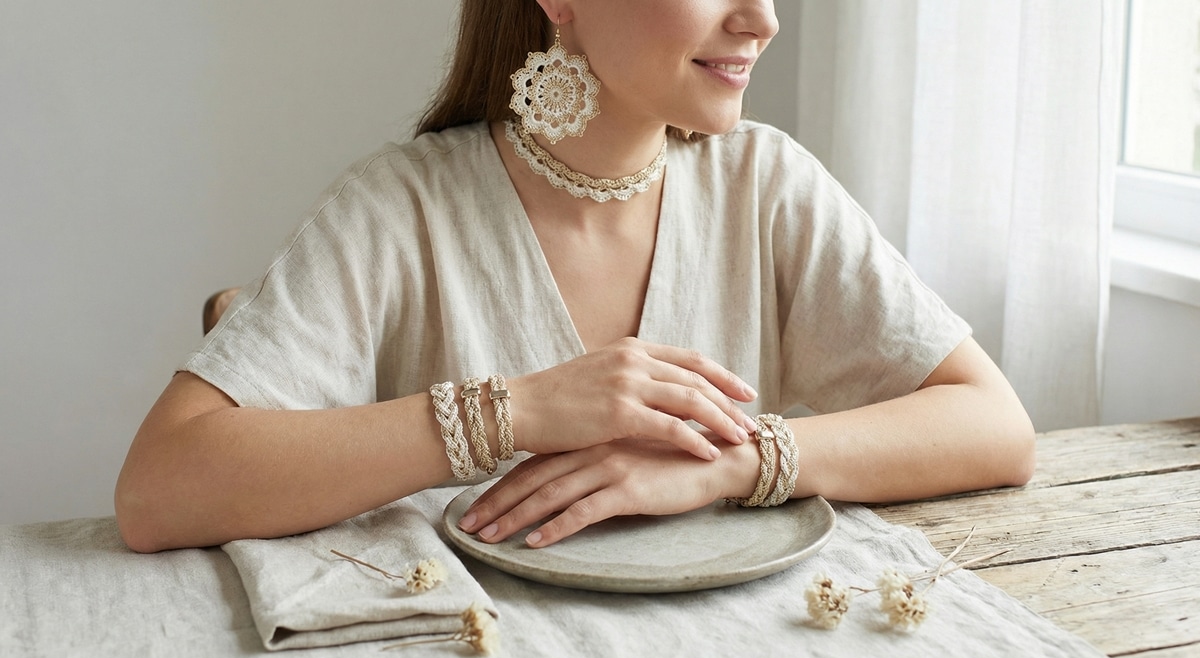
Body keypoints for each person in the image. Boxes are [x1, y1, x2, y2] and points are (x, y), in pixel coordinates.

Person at [115, 0, 1035, 554]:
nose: (763, 18)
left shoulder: (767, 185)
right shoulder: (401, 208)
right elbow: (158, 489)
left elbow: (994, 424)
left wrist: (734, 461)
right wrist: (514, 411)